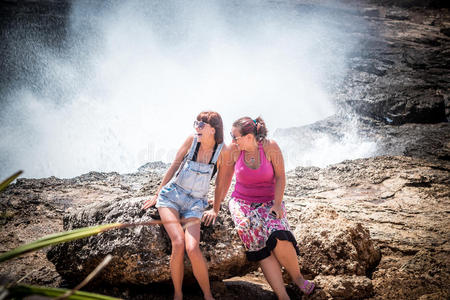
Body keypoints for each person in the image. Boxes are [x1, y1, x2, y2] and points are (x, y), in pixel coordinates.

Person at [141, 111, 231, 300]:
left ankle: (208, 296)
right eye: (196, 123)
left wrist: (215, 208)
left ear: (213, 130)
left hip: (196, 203)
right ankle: (178, 294)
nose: (196, 127)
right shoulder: (191, 141)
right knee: (179, 243)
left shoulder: (223, 151)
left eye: (201, 125)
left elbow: (221, 183)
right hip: (171, 198)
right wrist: (158, 194)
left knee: (192, 247)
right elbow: (173, 166)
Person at [224, 116, 315, 299]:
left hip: (269, 200)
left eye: (235, 137)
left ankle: (297, 279)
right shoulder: (234, 150)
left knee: (277, 233)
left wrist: (277, 203)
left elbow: (281, 177)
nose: (232, 140)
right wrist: (215, 203)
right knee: (258, 242)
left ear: (249, 136)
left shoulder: (270, 146)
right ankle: (283, 296)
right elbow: (225, 178)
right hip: (242, 202)